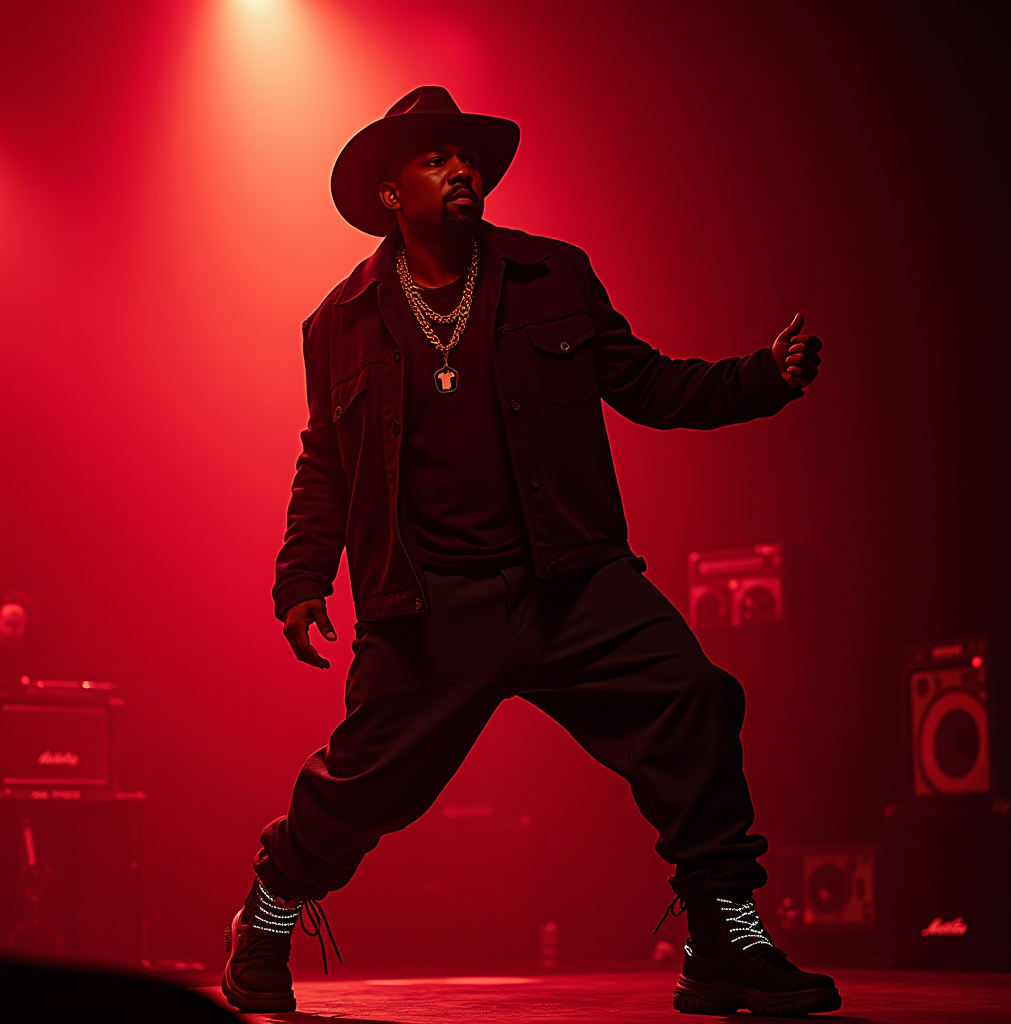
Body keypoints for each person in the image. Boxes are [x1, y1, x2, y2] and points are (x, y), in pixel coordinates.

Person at [222, 87, 838, 1017]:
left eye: (468, 157)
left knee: (694, 700)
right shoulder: (338, 321)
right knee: (364, 785)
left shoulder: (554, 273)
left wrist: (761, 378)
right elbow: (326, 464)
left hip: (573, 579)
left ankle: (721, 934)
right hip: (430, 607)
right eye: (436, 159)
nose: (462, 170)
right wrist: (301, 580)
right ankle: (269, 910)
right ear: (392, 193)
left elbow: (646, 383)